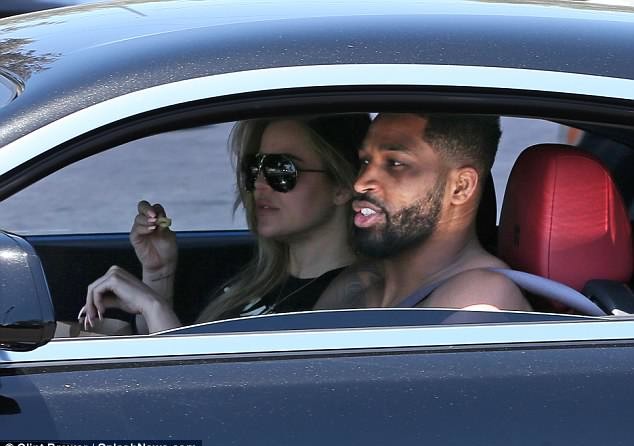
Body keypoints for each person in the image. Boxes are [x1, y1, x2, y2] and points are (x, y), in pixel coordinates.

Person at [80, 114, 370, 333]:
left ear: (342, 186)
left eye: (281, 169)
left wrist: (152, 306)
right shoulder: (256, 278)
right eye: (254, 168)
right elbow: (161, 354)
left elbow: (204, 388)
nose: (259, 183)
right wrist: (159, 274)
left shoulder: (351, 300)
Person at [315, 113, 532, 312]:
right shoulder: (360, 280)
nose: (360, 183)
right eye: (365, 161)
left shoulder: (481, 297)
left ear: (460, 187)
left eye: (395, 163)